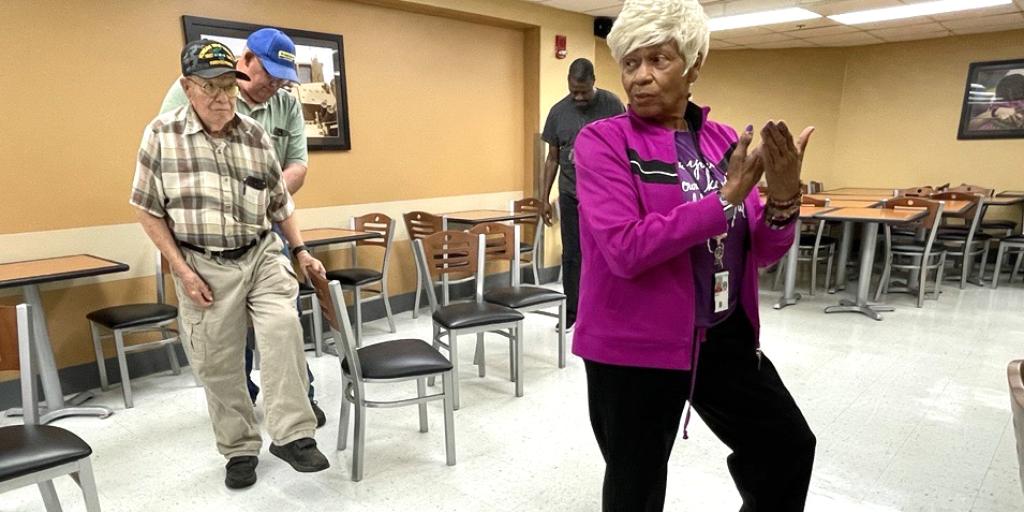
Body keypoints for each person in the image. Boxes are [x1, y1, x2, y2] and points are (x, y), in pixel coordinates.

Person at [572, 0, 817, 510]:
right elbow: (625, 249)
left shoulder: (724, 140)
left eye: (658, 60)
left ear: (694, 66)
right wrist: (722, 201)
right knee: (635, 486)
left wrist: (786, 197)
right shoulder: (602, 141)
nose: (640, 77)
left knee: (787, 447)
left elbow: (762, 251)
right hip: (633, 346)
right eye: (630, 62)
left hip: (721, 337)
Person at [132, 39, 330, 490]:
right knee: (219, 364)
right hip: (203, 263)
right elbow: (146, 209)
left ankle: (293, 434)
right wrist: (182, 270)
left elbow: (280, 203)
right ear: (187, 87)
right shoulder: (161, 135)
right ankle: (239, 448)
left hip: (260, 252)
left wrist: (300, 251)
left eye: (228, 86)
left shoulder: (255, 134)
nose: (223, 98)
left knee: (282, 327)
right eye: (210, 88)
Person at [540, 58, 625, 331]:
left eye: (583, 91)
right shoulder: (557, 112)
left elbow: (626, 149)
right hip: (570, 193)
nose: (578, 97)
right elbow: (552, 159)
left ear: (593, 81)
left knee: (606, 252)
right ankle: (572, 312)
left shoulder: (612, 105)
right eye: (573, 90)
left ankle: (606, 308)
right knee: (572, 255)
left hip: (605, 196)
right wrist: (543, 198)